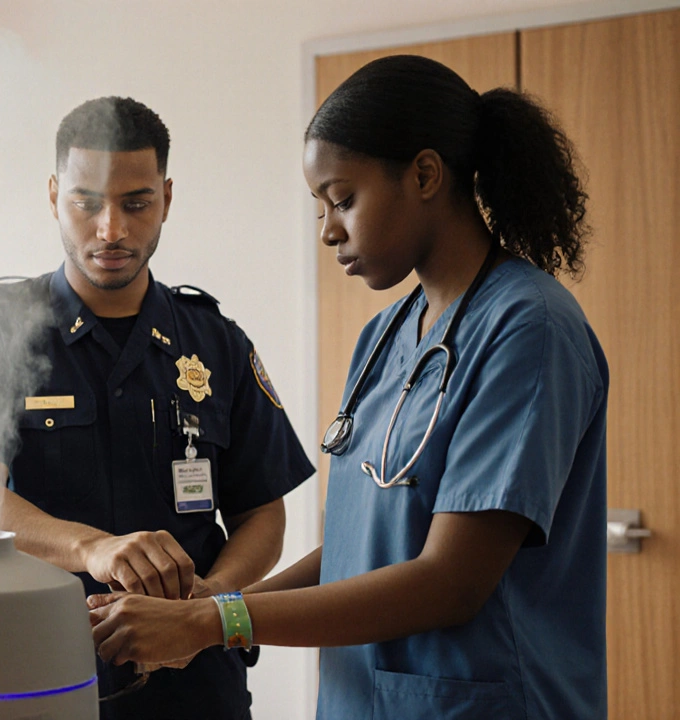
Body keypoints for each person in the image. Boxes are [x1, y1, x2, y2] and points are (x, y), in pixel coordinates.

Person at [88, 56, 607, 719]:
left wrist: (219, 624)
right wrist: (215, 609)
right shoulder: (386, 336)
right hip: (365, 702)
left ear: (424, 174)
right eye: (320, 207)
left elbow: (450, 583)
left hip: (484, 703)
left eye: (343, 199)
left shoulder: (529, 328)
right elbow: (365, 548)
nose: (329, 230)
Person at [0, 97, 315, 720]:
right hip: (41, 672)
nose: (111, 229)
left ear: (167, 198)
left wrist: (208, 604)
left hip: (196, 682)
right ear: (52, 193)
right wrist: (93, 549)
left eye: (136, 203)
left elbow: (263, 515)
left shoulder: (215, 341)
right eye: (86, 202)